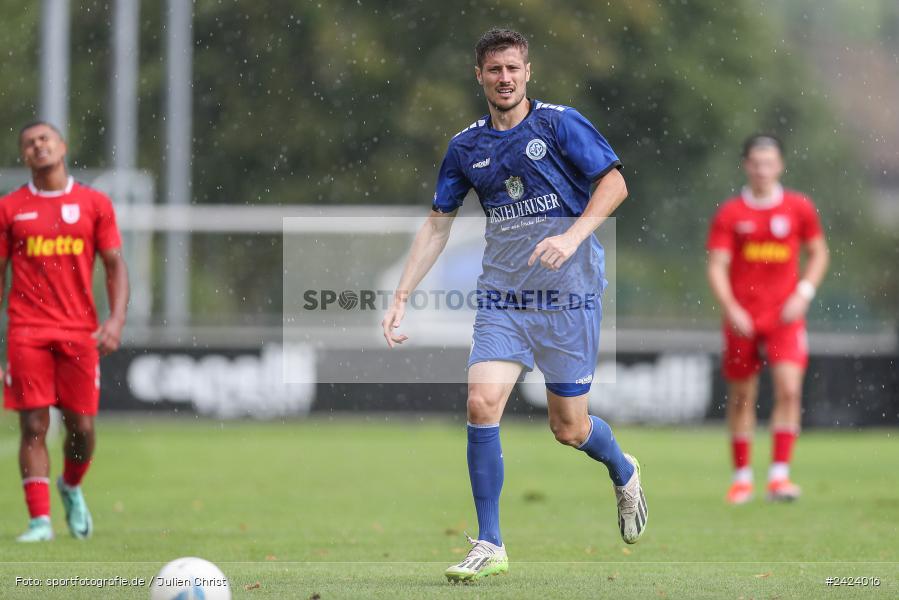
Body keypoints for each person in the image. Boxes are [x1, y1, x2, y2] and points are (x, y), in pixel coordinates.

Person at [381, 28, 647, 582]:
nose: (505, 78)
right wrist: (402, 292)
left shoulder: (558, 123)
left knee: (568, 428)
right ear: (478, 75)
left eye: (513, 69)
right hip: (504, 297)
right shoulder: (465, 148)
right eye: (494, 69)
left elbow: (615, 184)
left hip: (569, 296)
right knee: (482, 402)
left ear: (528, 72)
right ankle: (490, 542)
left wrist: (571, 238)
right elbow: (437, 224)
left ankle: (623, 470)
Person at [0, 121, 129, 541]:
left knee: (82, 427)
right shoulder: (11, 208)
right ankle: (39, 522)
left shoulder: (93, 203)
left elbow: (114, 266)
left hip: (79, 331)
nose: (38, 146)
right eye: (29, 143)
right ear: (24, 156)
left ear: (62, 147)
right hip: (27, 329)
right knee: (33, 424)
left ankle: (71, 486)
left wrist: (115, 321)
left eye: (45, 139)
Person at [707, 134, 829, 504]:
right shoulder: (731, 213)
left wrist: (803, 294)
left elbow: (819, 252)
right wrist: (732, 307)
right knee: (743, 395)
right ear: (747, 166)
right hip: (743, 316)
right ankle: (742, 478)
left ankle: (779, 477)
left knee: (790, 390)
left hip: (785, 316)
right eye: (756, 164)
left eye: (769, 163)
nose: (763, 170)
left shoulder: (799, 208)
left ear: (780, 165)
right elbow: (717, 265)